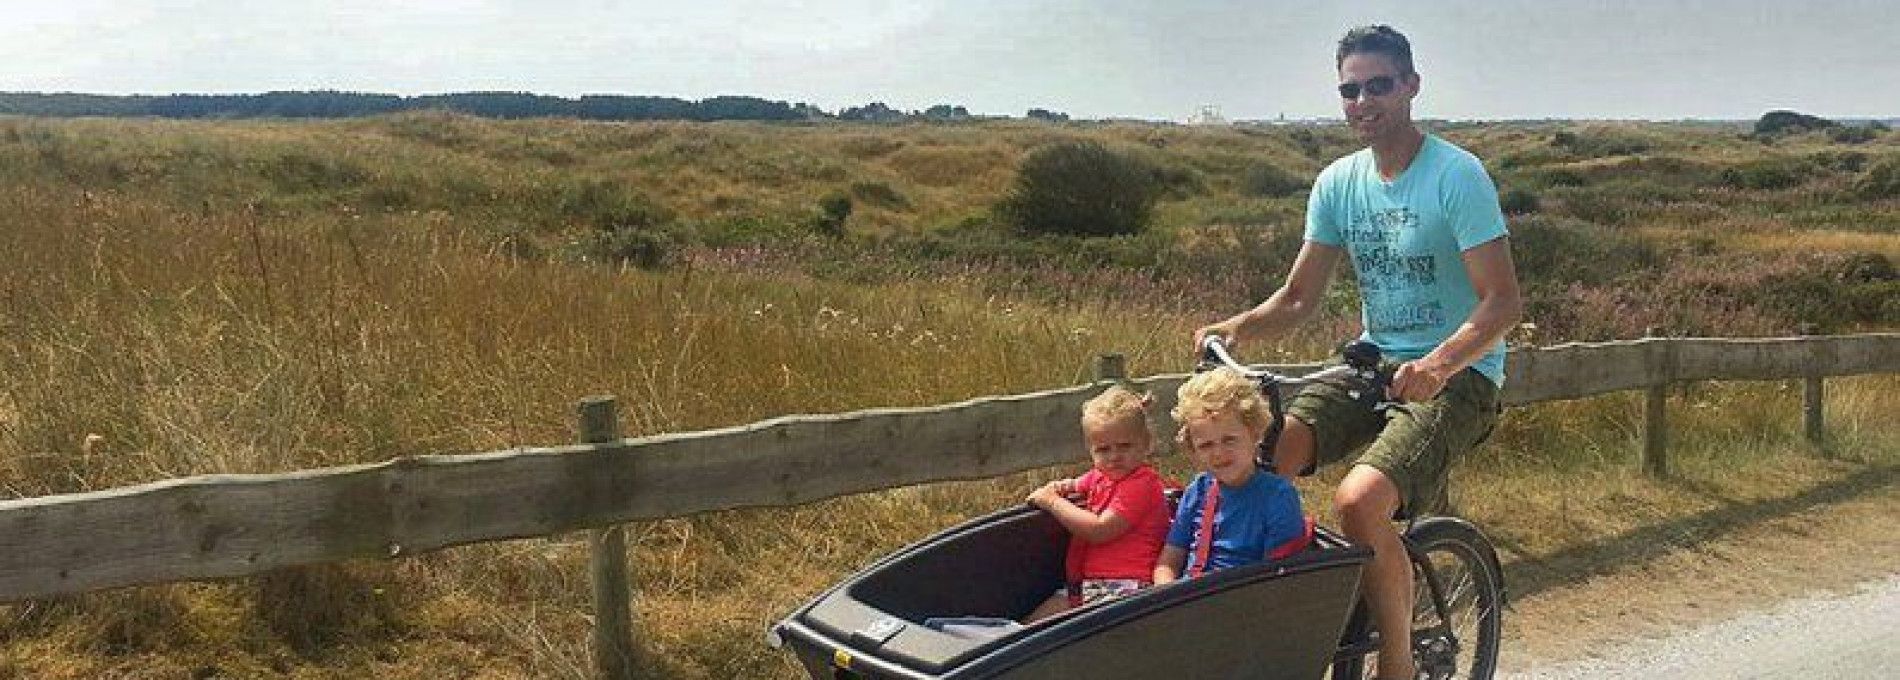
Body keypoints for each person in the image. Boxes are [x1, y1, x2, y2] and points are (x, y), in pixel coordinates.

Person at [1192, 25, 1524, 679]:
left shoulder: (1457, 175)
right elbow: (1296, 298)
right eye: (1351, 89)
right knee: (1257, 464)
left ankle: (1396, 666)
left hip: (1462, 378)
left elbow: (1503, 303)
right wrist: (1236, 328)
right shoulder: (1339, 183)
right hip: (1372, 367)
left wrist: (1438, 364)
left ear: (1410, 86)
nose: (1363, 100)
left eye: (1379, 85)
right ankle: (1280, 629)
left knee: (1357, 503)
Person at [1021, 385, 1175, 623]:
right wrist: (1058, 488)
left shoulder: (1142, 484)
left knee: (1050, 634)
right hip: (1089, 585)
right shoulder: (1099, 476)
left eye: (1124, 446)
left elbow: (1100, 530)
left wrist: (1052, 502)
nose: (1114, 456)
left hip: (1127, 587)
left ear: (1146, 443)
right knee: (1030, 625)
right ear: (1091, 451)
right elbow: (1073, 485)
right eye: (1103, 449)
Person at [1152, 367, 1310, 585]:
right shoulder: (1198, 491)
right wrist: (1165, 592)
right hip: (1188, 598)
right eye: (1206, 445)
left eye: (1229, 440)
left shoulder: (1278, 497)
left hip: (1245, 601)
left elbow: (1280, 577)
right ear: (1193, 450)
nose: (1218, 453)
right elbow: (1169, 559)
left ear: (1255, 434)